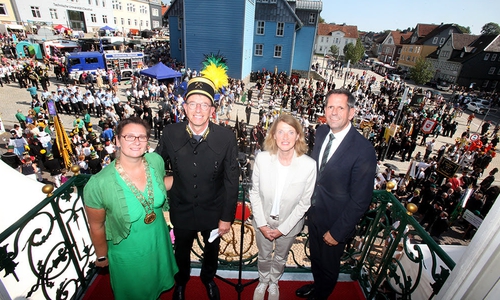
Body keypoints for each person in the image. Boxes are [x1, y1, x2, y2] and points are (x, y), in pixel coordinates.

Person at [156, 76, 239, 300]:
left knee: (211, 250)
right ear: (184, 107)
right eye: (192, 103)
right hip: (181, 209)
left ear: (213, 109)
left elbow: (232, 180)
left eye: (204, 104)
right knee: (181, 251)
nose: (198, 109)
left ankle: (208, 278)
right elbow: (154, 165)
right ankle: (181, 282)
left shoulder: (226, 137)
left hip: (213, 210)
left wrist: (226, 217)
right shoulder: (170, 133)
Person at [83, 117, 178, 300]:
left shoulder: (155, 161)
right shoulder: (99, 183)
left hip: (158, 241)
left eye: (142, 137)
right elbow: (97, 226)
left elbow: (160, 184)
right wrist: (102, 256)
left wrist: (191, 178)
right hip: (128, 253)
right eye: (129, 136)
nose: (137, 141)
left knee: (156, 288)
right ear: (117, 140)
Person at [296, 89, 377, 300]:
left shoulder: (364, 149)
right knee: (315, 258)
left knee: (329, 267)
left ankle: (321, 295)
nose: (334, 112)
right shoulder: (322, 131)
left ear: (352, 112)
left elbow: (361, 199)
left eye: (340, 107)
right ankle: (316, 285)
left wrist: (338, 232)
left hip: (335, 222)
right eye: (330, 107)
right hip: (314, 215)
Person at [249, 114, 316, 300]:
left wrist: (282, 229)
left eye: (290, 132)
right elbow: (254, 193)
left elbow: (304, 202)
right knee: (263, 256)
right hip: (263, 221)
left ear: (298, 136)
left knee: (280, 257)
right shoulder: (262, 159)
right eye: (280, 132)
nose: (285, 137)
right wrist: (262, 224)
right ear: (273, 135)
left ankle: (274, 282)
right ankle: (263, 281)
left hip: (289, 224)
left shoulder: (309, 166)